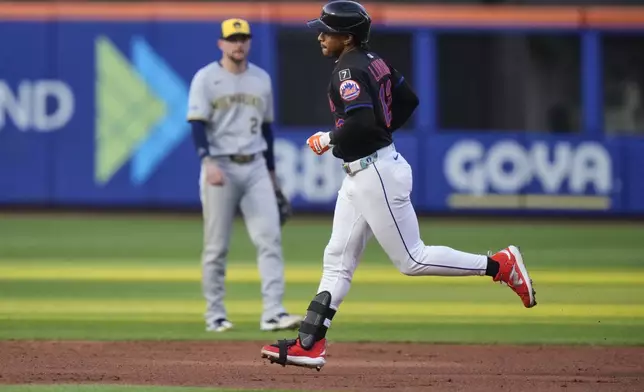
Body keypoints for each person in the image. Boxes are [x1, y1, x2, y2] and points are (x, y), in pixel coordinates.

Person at [260, 0, 537, 370]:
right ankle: (309, 344)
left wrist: (330, 138)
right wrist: (378, 132)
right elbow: (407, 100)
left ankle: (500, 266)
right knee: (337, 261)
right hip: (365, 170)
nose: (321, 36)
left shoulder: (347, 71)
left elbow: (359, 120)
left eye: (327, 31)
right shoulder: (374, 61)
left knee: (412, 259)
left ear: (348, 36)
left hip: (374, 173)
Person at [186, 18, 302, 333]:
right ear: (220, 44)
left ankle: (274, 312)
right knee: (216, 246)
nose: (238, 44)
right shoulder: (206, 78)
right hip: (219, 165)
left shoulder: (261, 79)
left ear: (249, 43)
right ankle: (215, 315)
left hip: (255, 166)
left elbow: (266, 128)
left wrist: (272, 174)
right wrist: (207, 162)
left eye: (243, 38)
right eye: (232, 38)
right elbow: (197, 124)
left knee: (270, 239)